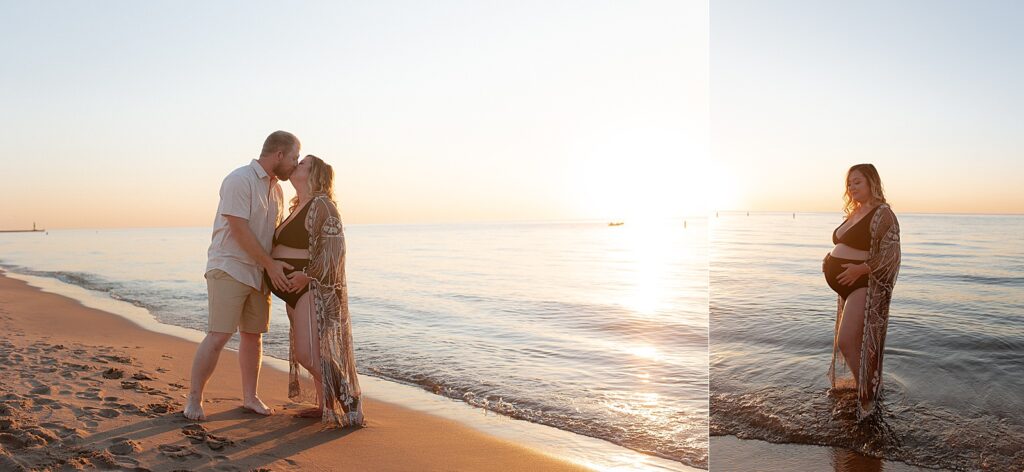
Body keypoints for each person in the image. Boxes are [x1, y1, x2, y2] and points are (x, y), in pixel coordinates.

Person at [183, 131, 300, 421]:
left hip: (258, 273)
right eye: (295, 157)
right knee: (219, 335)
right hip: (230, 266)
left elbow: (270, 235)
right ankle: (194, 399)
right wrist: (271, 265)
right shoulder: (239, 179)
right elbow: (239, 230)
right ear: (280, 155)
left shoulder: (277, 190)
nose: (296, 165)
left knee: (253, 337)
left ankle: (250, 397)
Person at [267, 154, 365, 427]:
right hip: (292, 288)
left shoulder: (323, 205)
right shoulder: (298, 206)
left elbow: (335, 252)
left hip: (310, 288)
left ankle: (350, 401)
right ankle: (324, 405)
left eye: (302, 164)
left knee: (307, 354)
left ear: (314, 175)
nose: (296, 165)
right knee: (314, 349)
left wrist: (308, 276)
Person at [822, 163, 901, 419]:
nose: (852, 187)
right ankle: (864, 388)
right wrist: (829, 259)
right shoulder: (854, 212)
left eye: (858, 182)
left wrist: (860, 270)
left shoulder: (883, 214)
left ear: (872, 183)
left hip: (863, 284)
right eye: (849, 183)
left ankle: (868, 397)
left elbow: (891, 255)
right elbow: (845, 243)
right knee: (854, 342)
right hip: (848, 285)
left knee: (846, 341)